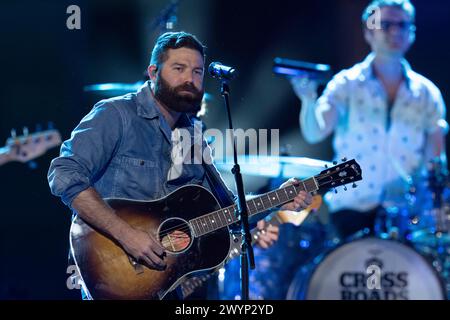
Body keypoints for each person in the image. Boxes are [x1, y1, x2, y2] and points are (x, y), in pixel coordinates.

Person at [48, 31, 312, 299]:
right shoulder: (116, 115)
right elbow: (64, 174)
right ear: (153, 72)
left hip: (166, 284)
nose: (190, 79)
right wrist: (127, 235)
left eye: (198, 72)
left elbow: (227, 211)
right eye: (179, 68)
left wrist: (279, 199)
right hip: (115, 272)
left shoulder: (193, 137)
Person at [291, 0, 447, 239]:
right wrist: (309, 99)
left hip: (403, 213)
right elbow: (316, 132)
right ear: (368, 31)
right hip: (352, 207)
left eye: (402, 25)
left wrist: (427, 202)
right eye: (385, 24)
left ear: (412, 33)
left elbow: (434, 162)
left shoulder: (426, 93)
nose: (395, 31)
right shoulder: (347, 84)